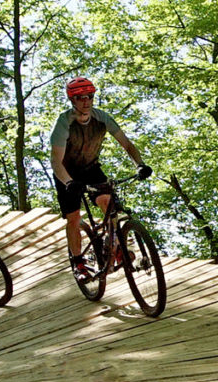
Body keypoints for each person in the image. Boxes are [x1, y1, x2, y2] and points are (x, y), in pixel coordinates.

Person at [50, 77, 152, 282]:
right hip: (66, 173)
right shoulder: (64, 122)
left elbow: (128, 145)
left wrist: (139, 164)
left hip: (90, 169)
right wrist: (69, 182)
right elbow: (55, 161)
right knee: (74, 218)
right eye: (80, 98)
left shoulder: (102, 118)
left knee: (109, 204)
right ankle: (78, 263)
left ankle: (115, 248)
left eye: (90, 97)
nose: (86, 102)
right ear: (72, 100)